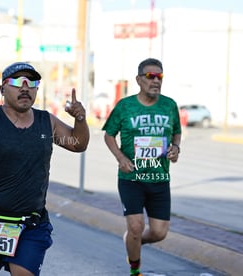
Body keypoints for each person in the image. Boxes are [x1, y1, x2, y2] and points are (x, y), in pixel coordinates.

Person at [0, 61, 89, 276]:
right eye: (17, 81)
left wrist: (80, 119)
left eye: (31, 82)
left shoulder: (46, 121)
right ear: (2, 89)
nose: (25, 87)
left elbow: (77, 143)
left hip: (30, 224)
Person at [102, 58, 181, 276]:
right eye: (150, 76)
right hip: (132, 179)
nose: (155, 81)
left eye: (159, 76)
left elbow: (176, 132)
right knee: (136, 226)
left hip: (160, 179)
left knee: (158, 233)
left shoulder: (169, 105)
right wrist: (120, 158)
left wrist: (176, 148)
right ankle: (135, 270)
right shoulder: (125, 106)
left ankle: (132, 241)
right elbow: (108, 135)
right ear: (139, 80)